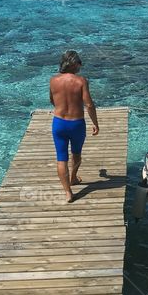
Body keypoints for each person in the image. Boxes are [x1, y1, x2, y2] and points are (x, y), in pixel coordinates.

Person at [49, 50, 99, 202]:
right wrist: (95, 123)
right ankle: (73, 178)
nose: (80, 66)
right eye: (79, 63)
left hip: (59, 123)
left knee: (61, 158)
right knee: (76, 153)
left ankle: (68, 192)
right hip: (76, 124)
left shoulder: (53, 80)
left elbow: (52, 100)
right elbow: (89, 104)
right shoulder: (81, 81)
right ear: (74, 64)